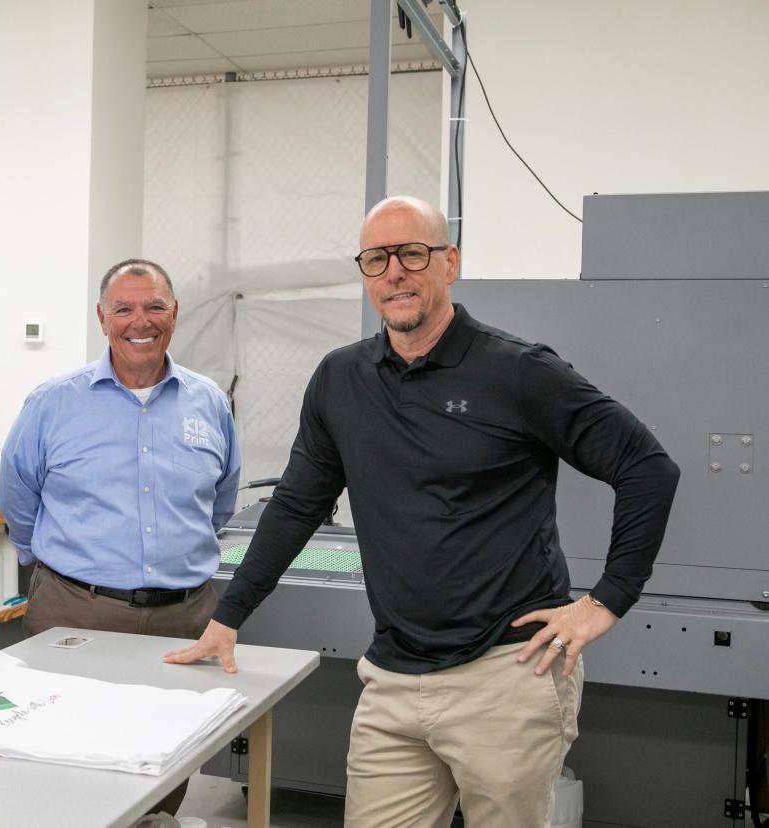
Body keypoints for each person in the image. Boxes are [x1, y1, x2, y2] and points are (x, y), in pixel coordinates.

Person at [165, 196, 680, 828]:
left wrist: (605, 601)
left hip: (507, 674)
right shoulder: (341, 379)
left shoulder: (517, 371)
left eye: (413, 253)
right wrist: (229, 615)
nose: (395, 273)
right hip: (391, 677)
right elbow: (299, 504)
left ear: (449, 263)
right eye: (377, 259)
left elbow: (647, 467)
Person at [0, 258, 240, 815]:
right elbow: (18, 500)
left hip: (184, 621)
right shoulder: (53, 403)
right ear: (102, 318)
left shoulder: (208, 402)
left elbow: (220, 501)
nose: (141, 320)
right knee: (65, 759)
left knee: (168, 759)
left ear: (174, 314)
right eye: (124, 308)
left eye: (155, 306)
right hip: (76, 613)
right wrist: (65, 570)